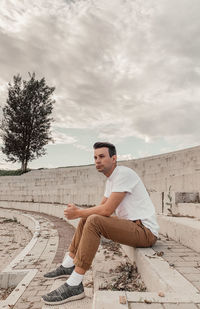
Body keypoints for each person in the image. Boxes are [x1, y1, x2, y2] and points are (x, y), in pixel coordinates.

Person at [42, 142, 159, 305]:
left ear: (114, 158)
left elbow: (106, 211)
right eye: (95, 157)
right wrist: (80, 212)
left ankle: (75, 284)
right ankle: (69, 263)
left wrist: (77, 213)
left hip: (145, 231)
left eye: (102, 156)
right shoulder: (111, 181)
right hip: (131, 226)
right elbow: (100, 208)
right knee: (87, 218)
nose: (97, 160)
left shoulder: (123, 174)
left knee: (94, 220)